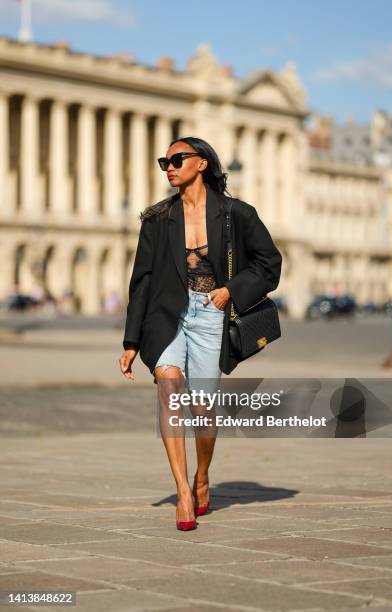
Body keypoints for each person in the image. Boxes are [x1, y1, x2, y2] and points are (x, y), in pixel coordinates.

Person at [119, 136, 282, 531]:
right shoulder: (158, 219)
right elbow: (141, 281)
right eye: (164, 161)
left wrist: (231, 290)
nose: (169, 166)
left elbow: (269, 263)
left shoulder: (235, 214)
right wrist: (131, 341)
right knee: (170, 388)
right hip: (165, 316)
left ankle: (202, 475)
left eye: (177, 159)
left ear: (202, 163)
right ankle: (183, 492)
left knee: (203, 408)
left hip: (212, 314)